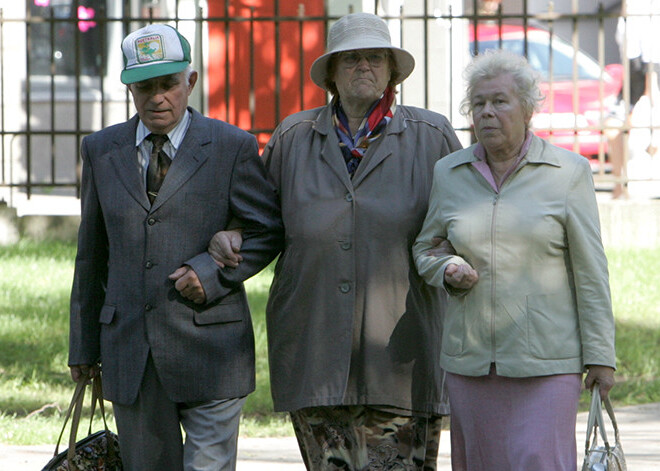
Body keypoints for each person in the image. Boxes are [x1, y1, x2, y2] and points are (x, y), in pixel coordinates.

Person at [210, 12, 462, 470]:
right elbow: (260, 222)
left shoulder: (431, 136)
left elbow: (466, 221)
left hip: (401, 357)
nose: (363, 66)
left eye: (373, 57)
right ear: (330, 73)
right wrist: (233, 233)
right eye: (350, 59)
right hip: (314, 350)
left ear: (390, 70)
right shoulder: (294, 136)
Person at [68, 24, 283, 471]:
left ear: (191, 81)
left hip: (213, 349)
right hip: (130, 352)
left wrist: (210, 273)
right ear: (129, 88)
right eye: (143, 87)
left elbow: (268, 230)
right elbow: (92, 255)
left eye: (168, 84)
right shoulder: (101, 150)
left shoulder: (231, 147)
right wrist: (84, 348)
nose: (157, 98)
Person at [413, 49, 616, 471]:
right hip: (471, 362)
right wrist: (445, 269)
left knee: (537, 462)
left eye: (500, 101)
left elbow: (591, 272)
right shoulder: (449, 173)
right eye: (479, 103)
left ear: (527, 109)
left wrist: (601, 356)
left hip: (547, 362)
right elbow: (425, 248)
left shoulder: (568, 172)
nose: (487, 112)